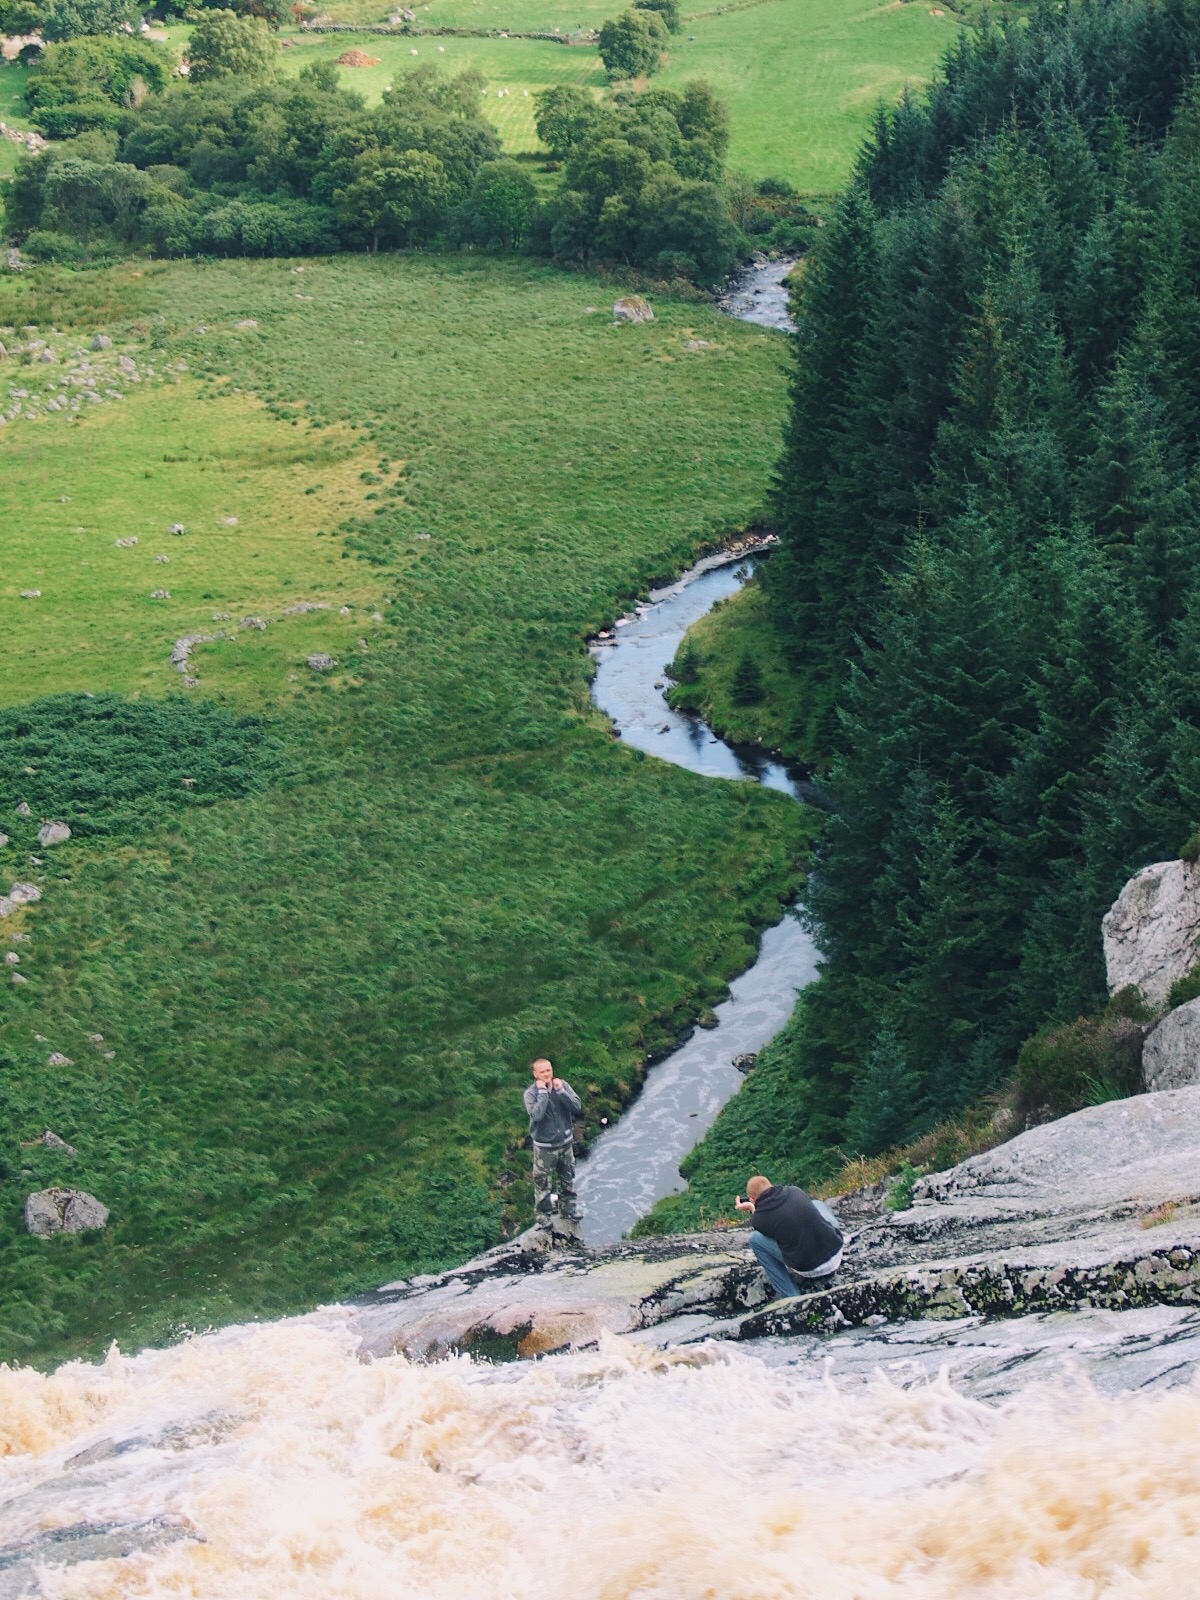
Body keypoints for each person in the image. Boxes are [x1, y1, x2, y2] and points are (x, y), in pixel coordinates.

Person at [734, 1174, 843, 1302]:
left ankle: (791, 1296)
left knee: (755, 1240)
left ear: (752, 1199)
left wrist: (753, 1208)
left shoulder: (759, 1219)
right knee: (817, 1204)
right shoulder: (795, 1191)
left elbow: (766, 1226)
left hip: (808, 1268)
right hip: (836, 1251)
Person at [523, 1057, 583, 1239]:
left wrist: (561, 1092)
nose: (547, 1074)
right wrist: (543, 1093)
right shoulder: (530, 1093)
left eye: (549, 1070)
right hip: (544, 1147)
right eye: (542, 1072)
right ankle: (543, 1217)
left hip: (565, 1143)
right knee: (543, 1183)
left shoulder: (562, 1085)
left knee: (567, 1178)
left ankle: (569, 1210)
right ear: (535, 1074)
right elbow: (537, 1115)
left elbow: (577, 1107)